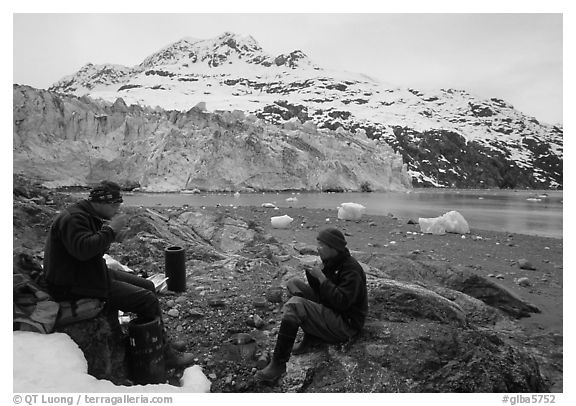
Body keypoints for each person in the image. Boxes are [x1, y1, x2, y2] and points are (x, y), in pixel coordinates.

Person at [43, 180, 194, 368]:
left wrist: (112, 233)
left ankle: (156, 339)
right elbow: (83, 250)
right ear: (102, 202)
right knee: (147, 300)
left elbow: (92, 249)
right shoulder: (75, 219)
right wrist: (111, 229)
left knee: (147, 286)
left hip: (87, 273)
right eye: (115, 204)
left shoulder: (87, 214)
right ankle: (165, 356)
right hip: (74, 284)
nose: (118, 208)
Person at [257, 227, 368, 383]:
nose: (318, 248)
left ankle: (278, 364)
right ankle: (312, 336)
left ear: (333, 248)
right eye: (318, 243)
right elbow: (324, 295)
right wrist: (313, 275)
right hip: (333, 311)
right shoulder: (332, 262)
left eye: (322, 245)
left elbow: (342, 303)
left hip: (346, 324)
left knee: (295, 305)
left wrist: (322, 278)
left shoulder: (351, 270)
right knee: (294, 283)